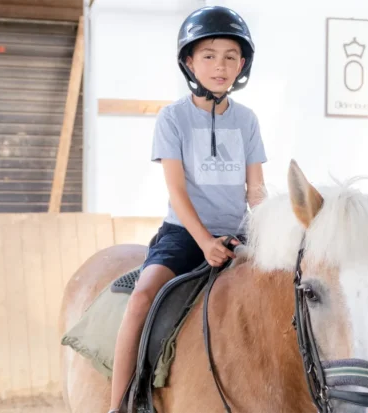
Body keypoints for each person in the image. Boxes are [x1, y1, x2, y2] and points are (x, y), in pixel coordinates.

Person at [108, 6, 267, 412]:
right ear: (189, 62)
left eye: (231, 56)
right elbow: (177, 191)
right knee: (143, 296)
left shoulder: (247, 121)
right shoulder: (173, 118)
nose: (221, 66)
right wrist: (204, 241)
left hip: (238, 234)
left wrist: (270, 230)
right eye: (209, 55)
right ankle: (121, 403)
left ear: (242, 64)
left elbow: (257, 191)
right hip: (184, 234)